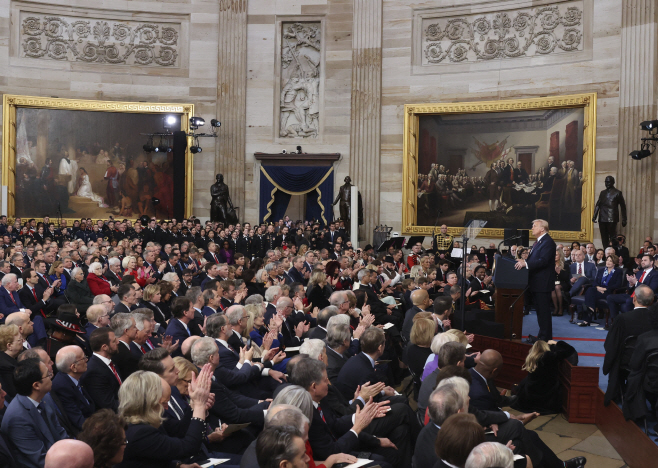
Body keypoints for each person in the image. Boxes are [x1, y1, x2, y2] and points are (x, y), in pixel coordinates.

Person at [116, 368, 213, 468]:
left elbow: (179, 431)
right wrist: (199, 405)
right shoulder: (140, 433)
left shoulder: (144, 421)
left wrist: (178, 465)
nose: (166, 408)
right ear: (148, 402)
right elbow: (189, 447)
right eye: (164, 403)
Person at [0, 358, 68, 468]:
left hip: (60, 455)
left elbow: (60, 432)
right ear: (36, 385)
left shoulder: (45, 397)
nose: (52, 376)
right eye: (48, 374)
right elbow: (40, 459)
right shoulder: (17, 418)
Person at [515, 220, 557, 343]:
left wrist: (525, 263)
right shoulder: (539, 242)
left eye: (534, 226)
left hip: (543, 283)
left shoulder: (548, 242)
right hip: (536, 282)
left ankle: (545, 339)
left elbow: (543, 261)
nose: (532, 228)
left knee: (543, 312)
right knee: (540, 312)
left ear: (542, 229)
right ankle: (542, 336)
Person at [512, 340, 576, 414]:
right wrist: (557, 343)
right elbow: (570, 350)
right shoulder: (549, 356)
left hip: (530, 393)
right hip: (545, 395)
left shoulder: (532, 356)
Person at [51, 345, 96, 435]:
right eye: (83, 358)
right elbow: (78, 421)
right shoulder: (62, 387)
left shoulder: (77, 377)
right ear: (73, 367)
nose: (86, 360)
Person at [81, 327, 122, 411]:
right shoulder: (93, 372)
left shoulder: (111, 362)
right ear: (104, 347)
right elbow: (108, 404)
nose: (118, 342)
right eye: (114, 341)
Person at [579, 254, 622, 327]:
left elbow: (617, 284)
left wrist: (605, 289)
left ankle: (587, 319)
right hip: (598, 289)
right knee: (590, 289)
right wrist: (598, 287)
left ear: (614, 263)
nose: (608, 262)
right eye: (607, 260)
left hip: (608, 292)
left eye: (610, 261)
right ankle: (591, 310)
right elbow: (595, 281)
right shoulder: (601, 270)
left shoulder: (618, 272)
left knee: (590, 293)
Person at [0, 324, 22, 399]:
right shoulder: (5, 367)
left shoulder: (11, 359)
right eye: (19, 339)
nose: (23, 341)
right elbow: (13, 393)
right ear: (9, 346)